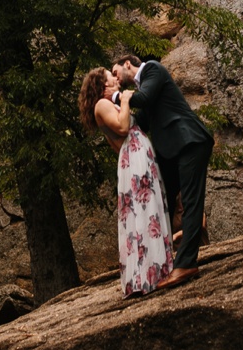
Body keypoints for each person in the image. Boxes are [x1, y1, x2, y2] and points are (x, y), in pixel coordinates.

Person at [111, 54, 213, 290]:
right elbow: (140, 122)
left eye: (115, 73)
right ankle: (159, 263)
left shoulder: (152, 70)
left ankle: (186, 264)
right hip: (172, 151)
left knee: (190, 202)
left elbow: (143, 99)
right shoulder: (144, 89)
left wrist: (116, 96)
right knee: (160, 200)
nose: (117, 79)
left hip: (190, 142)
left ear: (128, 64)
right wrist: (110, 114)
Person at [79, 67, 173, 296]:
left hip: (136, 155)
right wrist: (126, 99)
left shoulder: (107, 104)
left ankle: (155, 269)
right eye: (110, 75)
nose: (115, 77)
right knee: (143, 211)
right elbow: (122, 127)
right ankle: (146, 275)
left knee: (148, 210)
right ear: (103, 84)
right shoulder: (102, 105)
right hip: (134, 157)